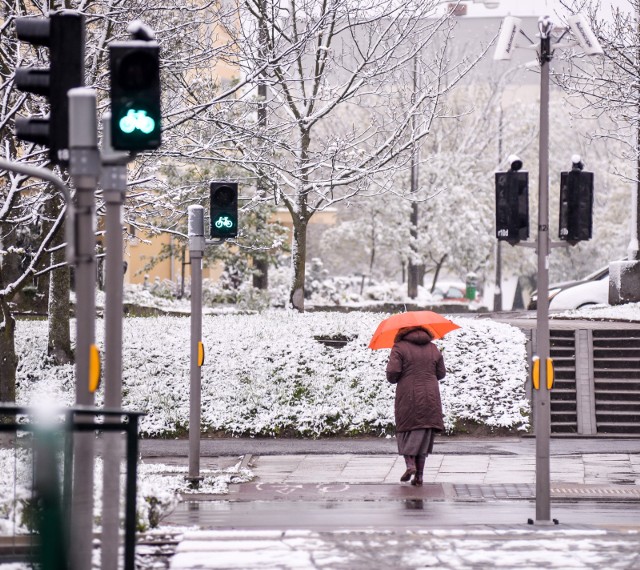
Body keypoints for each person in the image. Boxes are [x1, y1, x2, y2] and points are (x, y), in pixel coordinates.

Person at [386, 326, 446, 486]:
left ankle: (410, 464)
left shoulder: (399, 347)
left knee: (406, 429)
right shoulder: (433, 347)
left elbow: (392, 374)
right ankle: (419, 477)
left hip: (408, 394)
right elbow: (441, 373)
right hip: (430, 395)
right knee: (424, 433)